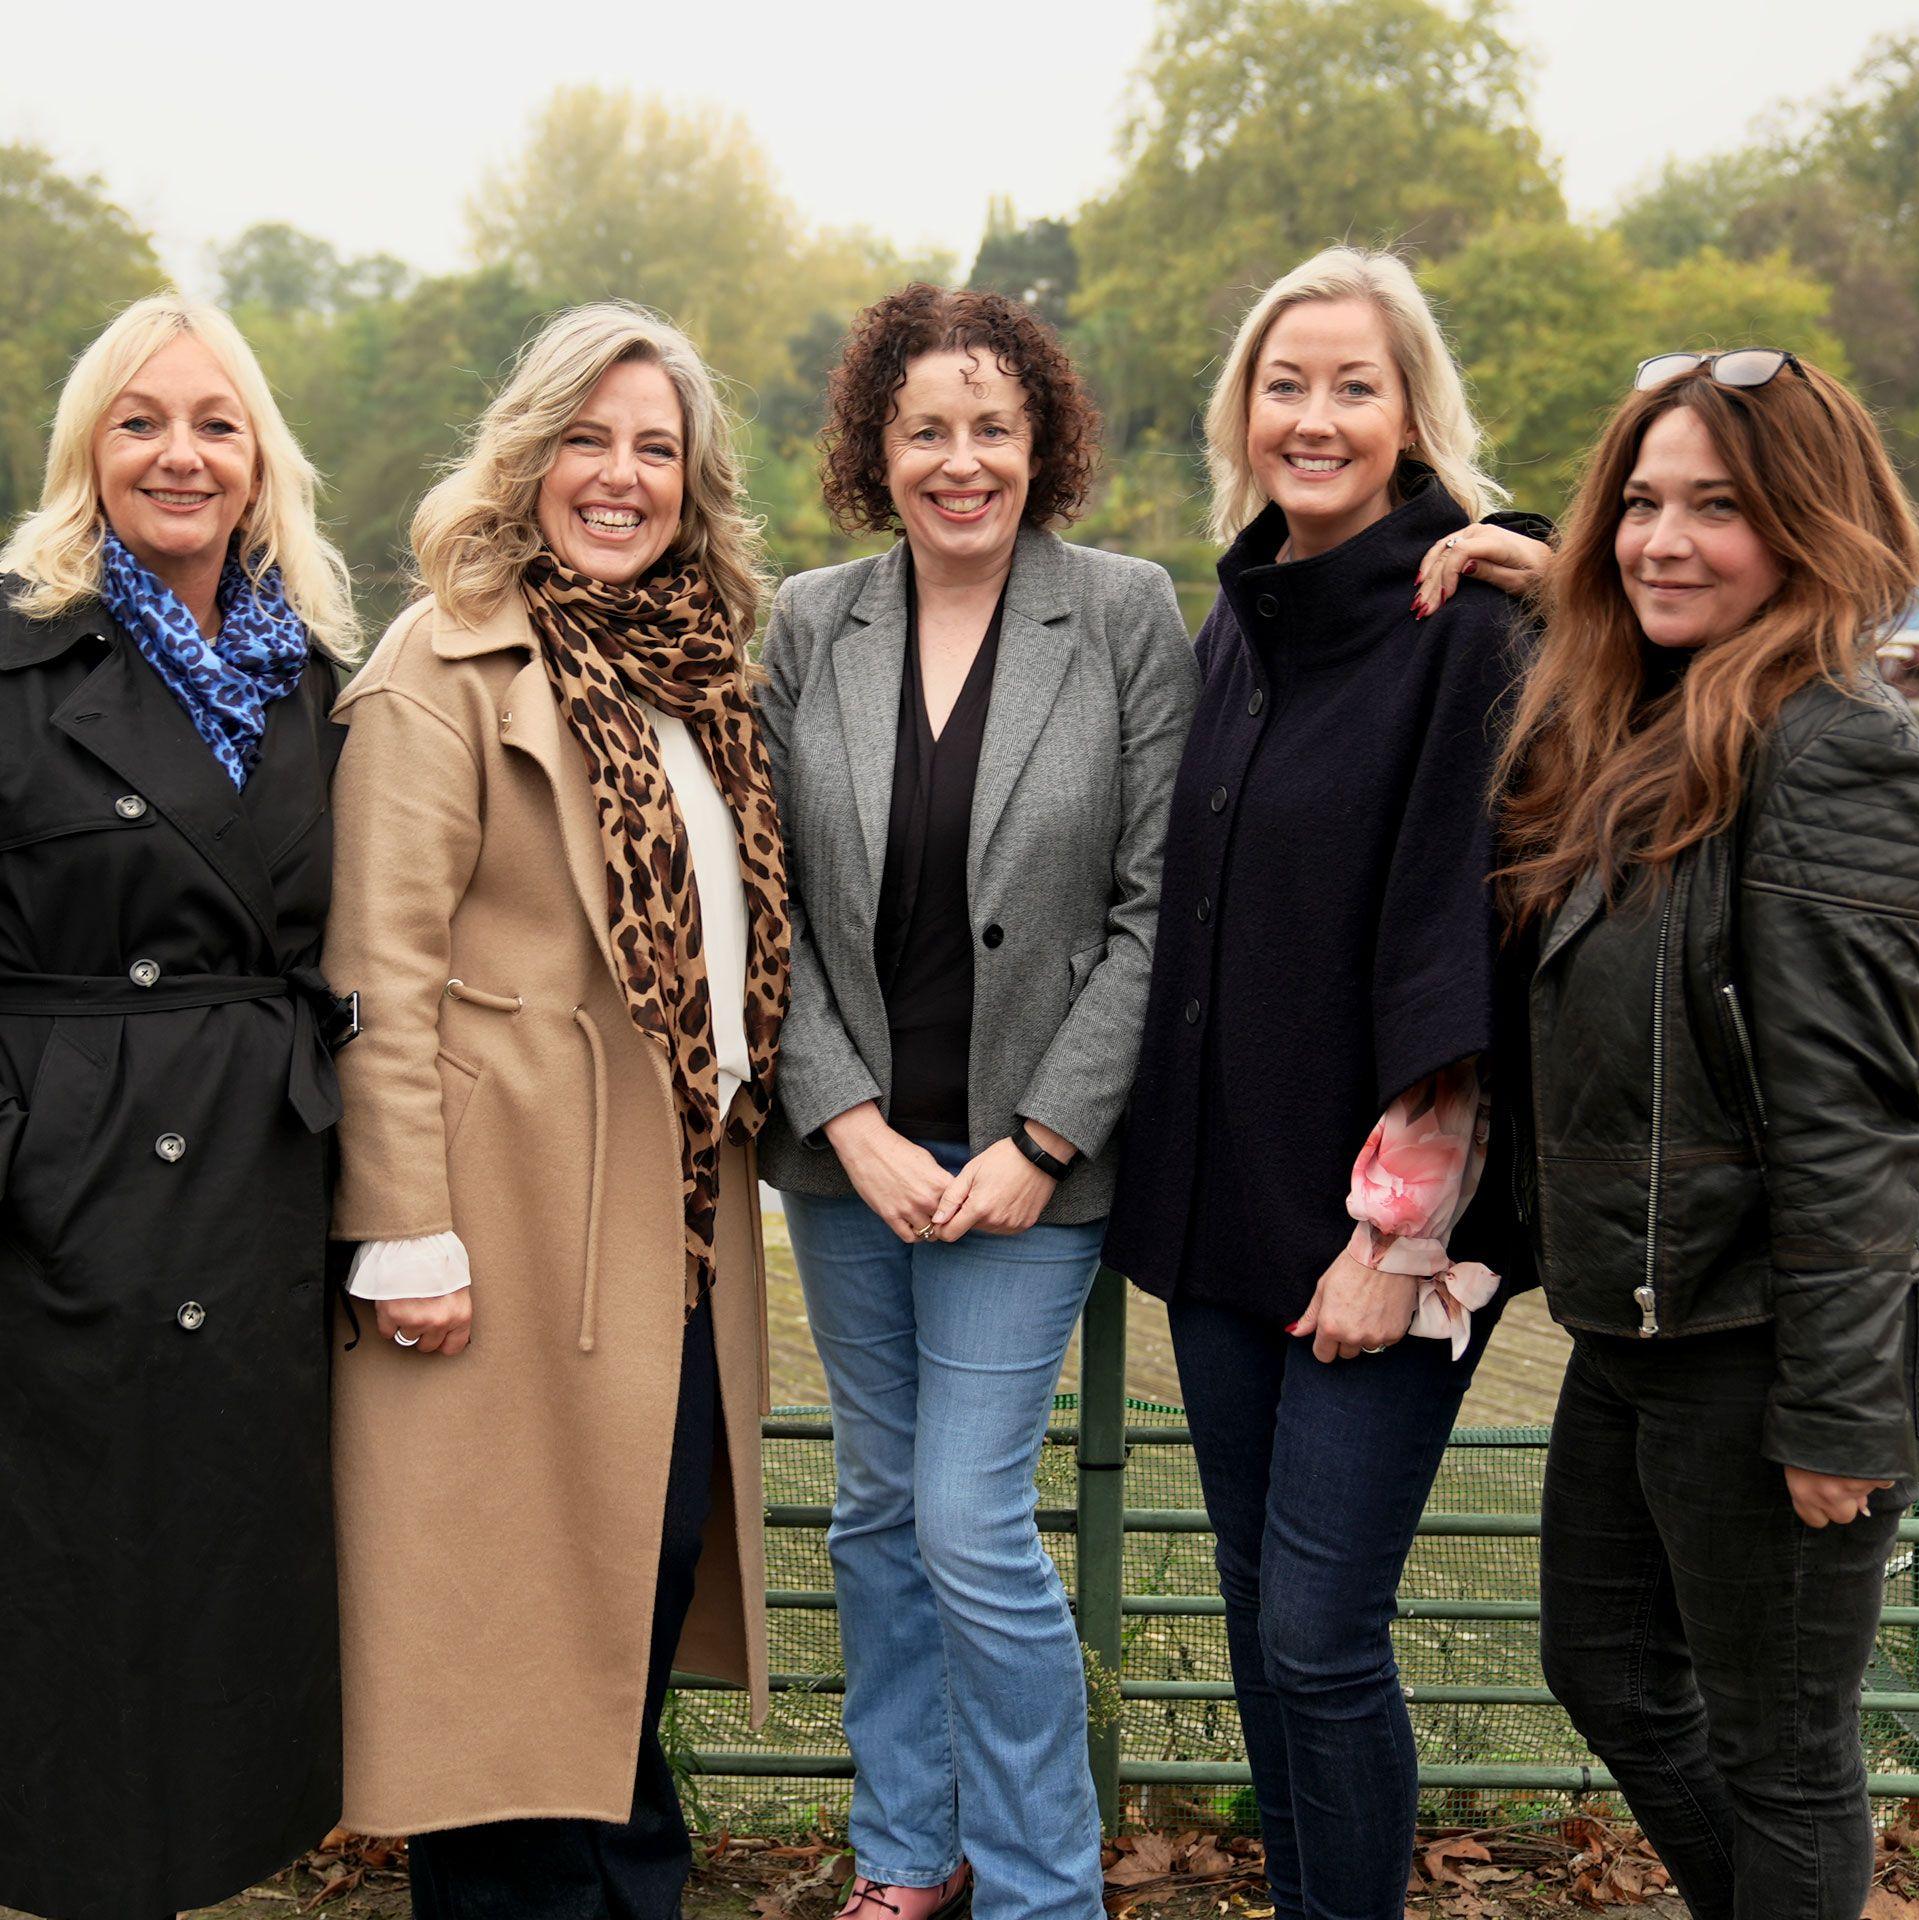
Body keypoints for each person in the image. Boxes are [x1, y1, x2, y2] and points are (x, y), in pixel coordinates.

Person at [323, 301, 789, 1920]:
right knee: (506, 1670)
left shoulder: (702, 675)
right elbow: (375, 970)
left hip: (673, 1232)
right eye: (589, 440)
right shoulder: (439, 661)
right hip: (504, 1224)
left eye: (655, 448)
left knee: (624, 1622)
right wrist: (404, 1235)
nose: (621, 476)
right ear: (525, 457)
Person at [1102, 247, 1537, 1920]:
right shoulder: (1239, 617)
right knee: (1251, 1610)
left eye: (1356, 385)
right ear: (1242, 411)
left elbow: (1466, 937)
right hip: (1226, 1211)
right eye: (1286, 384)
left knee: (1318, 1633)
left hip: (1377, 1236)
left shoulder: (1468, 618)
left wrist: (1396, 1239)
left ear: (1413, 408)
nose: (1317, 416)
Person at [757, 285, 1199, 1920]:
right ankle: (905, 1853)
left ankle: (1039, 1887)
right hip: (850, 1159)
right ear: (878, 446)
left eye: (992, 429)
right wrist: (848, 1120)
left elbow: (1162, 907)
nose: (961, 460)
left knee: (967, 1519)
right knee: (876, 1516)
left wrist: (1044, 1137)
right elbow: (766, 896)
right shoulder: (813, 621)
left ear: (1043, 443)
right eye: (926, 429)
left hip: (1033, 1170)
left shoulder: (1132, 612)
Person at [1499, 348, 1919, 1919]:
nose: (1663, 542)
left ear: (1807, 527)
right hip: (1642, 1316)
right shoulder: (1659, 718)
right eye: (1642, 505)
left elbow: (1856, 1112)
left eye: (1719, 509)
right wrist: (1518, 555)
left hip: (1763, 1335)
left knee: (1786, 1752)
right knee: (1604, 1666)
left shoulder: (1833, 747)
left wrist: (1842, 1412)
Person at [0, 293, 359, 1920]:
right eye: (141, 420)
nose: (181, 454)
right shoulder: (14, 655)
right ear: (87, 449)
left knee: (216, 1604)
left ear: (259, 455)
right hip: (61, 1193)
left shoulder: (314, 678)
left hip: (256, 1189)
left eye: (216, 422)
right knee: (67, 1595)